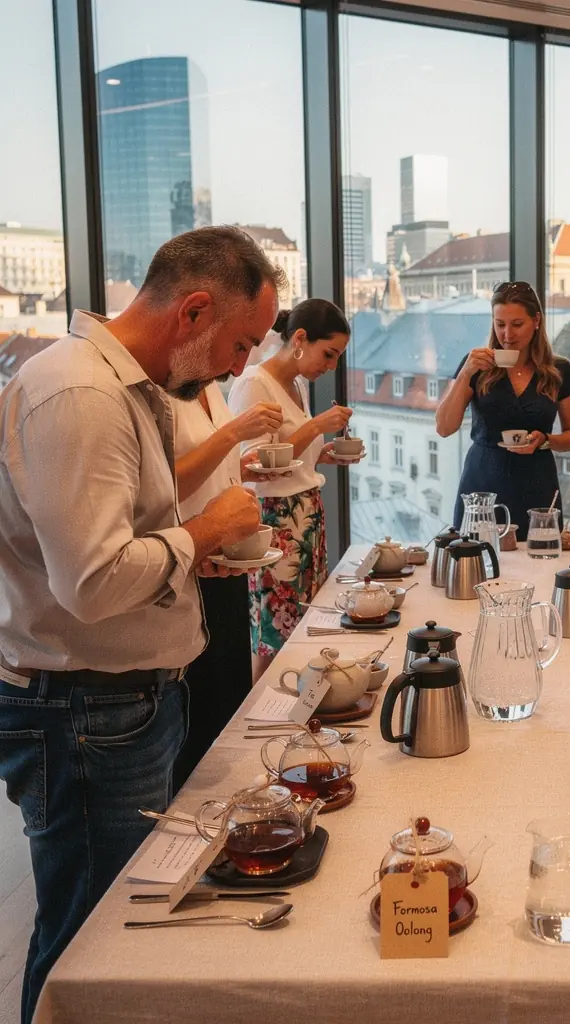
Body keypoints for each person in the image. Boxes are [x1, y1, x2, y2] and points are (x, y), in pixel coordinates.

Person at [0, 225, 282, 1022]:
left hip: (121, 701)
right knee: (91, 943)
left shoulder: (126, 387)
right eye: (239, 344)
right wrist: (202, 533)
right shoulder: (81, 394)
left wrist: (191, 559)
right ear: (193, 310)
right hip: (84, 712)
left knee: (115, 925)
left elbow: (121, 544)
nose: (238, 368)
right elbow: (90, 584)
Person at [228, 299, 356, 682]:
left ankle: (297, 709)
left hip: (305, 515)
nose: (330, 366)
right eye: (328, 354)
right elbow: (254, 466)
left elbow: (291, 459)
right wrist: (317, 427)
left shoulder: (296, 383)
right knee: (273, 636)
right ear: (300, 338)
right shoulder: (254, 383)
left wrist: (326, 453)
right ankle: (259, 719)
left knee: (301, 628)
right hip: (275, 521)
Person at [171, 385, 284, 788]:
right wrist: (234, 432)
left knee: (232, 694)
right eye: (239, 344)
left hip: (226, 555)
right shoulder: (165, 392)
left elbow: (211, 467)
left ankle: (236, 806)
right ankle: (204, 815)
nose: (240, 366)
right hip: (190, 560)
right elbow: (165, 484)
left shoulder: (211, 390)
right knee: (204, 708)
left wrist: (243, 468)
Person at [435, 281, 570, 539]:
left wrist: (545, 441)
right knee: (477, 565)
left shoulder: (560, 370)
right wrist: (465, 373)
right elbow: (444, 427)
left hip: (537, 483)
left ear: (536, 320)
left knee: (540, 564)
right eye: (499, 324)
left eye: (516, 325)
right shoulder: (475, 366)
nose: (507, 335)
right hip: (481, 484)